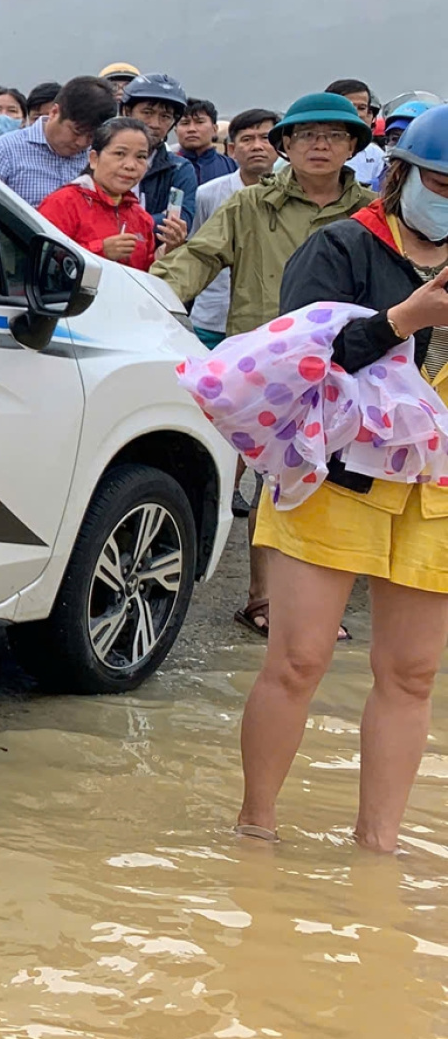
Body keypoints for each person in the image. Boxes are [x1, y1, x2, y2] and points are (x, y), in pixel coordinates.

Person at [235, 104, 448, 851]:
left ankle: (378, 848)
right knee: (299, 659)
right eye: (440, 184)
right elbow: (296, 365)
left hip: (434, 489)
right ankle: (255, 829)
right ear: (400, 175)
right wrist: (401, 320)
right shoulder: (341, 247)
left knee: (412, 673)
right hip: (335, 477)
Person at [161, 91, 375, 638]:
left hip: (353, 365)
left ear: (353, 145)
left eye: (335, 135)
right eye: (306, 135)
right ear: (286, 145)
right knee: (273, 483)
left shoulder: (375, 212)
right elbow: (199, 257)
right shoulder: (251, 206)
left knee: (338, 488)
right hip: (268, 369)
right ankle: (264, 599)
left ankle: (316, 605)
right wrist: (147, 298)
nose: (320, 145)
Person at [186, 107, 280, 350]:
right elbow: (196, 249)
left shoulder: (289, 196)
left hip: (268, 319)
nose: (257, 146)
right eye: (247, 139)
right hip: (212, 315)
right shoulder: (207, 193)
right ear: (231, 149)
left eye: (265, 138)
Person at [0, 74, 116, 206]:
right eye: (76, 131)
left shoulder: (99, 159)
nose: (81, 143)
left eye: (91, 136)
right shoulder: (2, 152)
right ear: (54, 112)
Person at [38, 117, 163, 270]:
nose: (130, 165)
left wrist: (167, 253)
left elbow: (145, 273)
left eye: (141, 157)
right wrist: (101, 251)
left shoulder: (141, 217)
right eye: (120, 153)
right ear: (94, 159)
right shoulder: (63, 202)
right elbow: (42, 260)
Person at [117, 71, 199, 235]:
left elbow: (178, 221)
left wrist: (125, 225)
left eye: (165, 116)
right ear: (127, 111)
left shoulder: (179, 169)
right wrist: (157, 219)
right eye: (147, 112)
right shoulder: (101, 159)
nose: (155, 124)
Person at [329, 78, 387, 188]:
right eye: (350, 106)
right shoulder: (314, 145)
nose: (357, 114)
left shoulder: (375, 153)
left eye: (362, 108)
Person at [176, 98, 234, 183]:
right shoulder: (166, 167)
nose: (191, 129)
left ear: (214, 129)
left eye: (199, 122)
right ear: (176, 130)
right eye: (185, 123)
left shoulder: (231, 167)